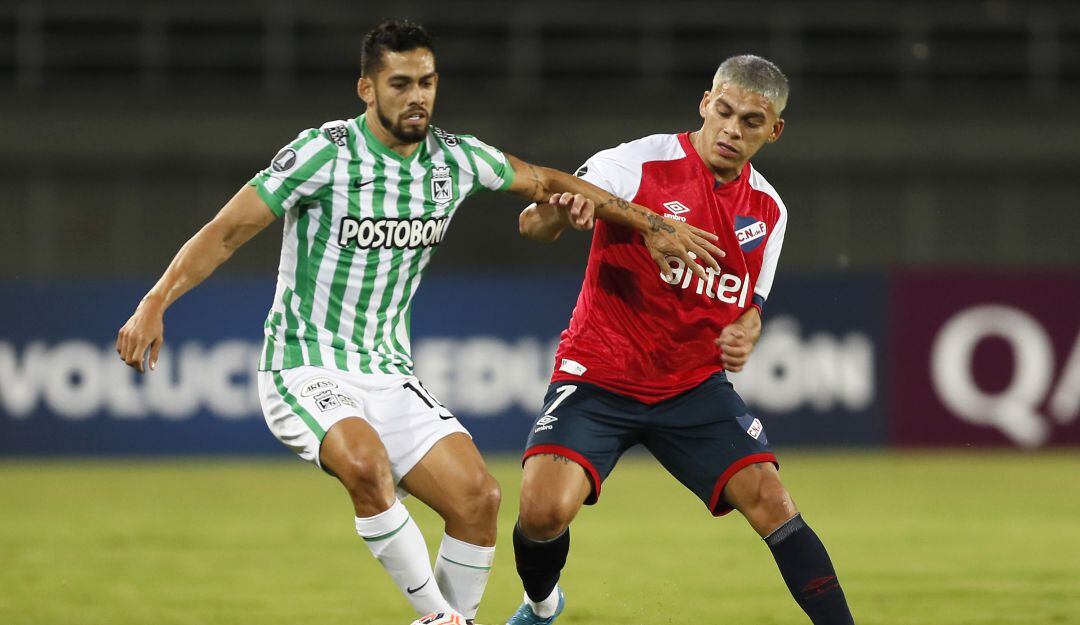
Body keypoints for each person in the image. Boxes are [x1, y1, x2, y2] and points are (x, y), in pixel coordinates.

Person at [114, 19, 722, 624]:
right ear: (366, 90)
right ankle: (437, 618)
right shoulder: (324, 152)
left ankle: (449, 620)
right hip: (304, 365)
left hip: (388, 373)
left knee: (479, 501)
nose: (418, 96)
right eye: (400, 83)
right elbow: (227, 231)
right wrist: (155, 302)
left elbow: (547, 180)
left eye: (427, 81)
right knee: (365, 465)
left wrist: (650, 223)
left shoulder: (457, 160)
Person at [507, 55, 856, 625]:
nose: (731, 130)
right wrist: (566, 216)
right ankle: (543, 606)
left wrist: (748, 330)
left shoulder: (769, 209)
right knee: (543, 512)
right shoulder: (635, 162)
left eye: (750, 120)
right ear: (704, 102)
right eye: (723, 112)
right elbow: (533, 223)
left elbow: (753, 305)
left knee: (772, 501)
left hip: (693, 387)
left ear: (775, 130)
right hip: (600, 373)